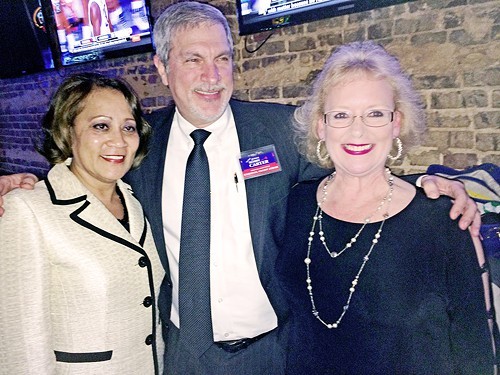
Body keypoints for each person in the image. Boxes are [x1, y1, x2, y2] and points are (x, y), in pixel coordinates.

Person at [0, 2, 481, 374]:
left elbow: (352, 163)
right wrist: (27, 187)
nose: (212, 77)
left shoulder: (277, 132)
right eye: (193, 60)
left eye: (223, 59)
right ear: (164, 69)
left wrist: (429, 185)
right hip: (179, 355)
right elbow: (86, 169)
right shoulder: (139, 142)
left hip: (273, 353)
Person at [276, 41, 494, 374]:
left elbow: (474, 347)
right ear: (321, 126)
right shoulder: (296, 204)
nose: (358, 130)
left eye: (375, 114)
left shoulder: (443, 219)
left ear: (396, 123)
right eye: (341, 115)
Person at [0, 73, 165, 374]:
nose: (119, 140)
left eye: (128, 127)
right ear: (67, 132)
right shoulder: (27, 209)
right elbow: (20, 346)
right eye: (100, 126)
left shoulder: (136, 202)